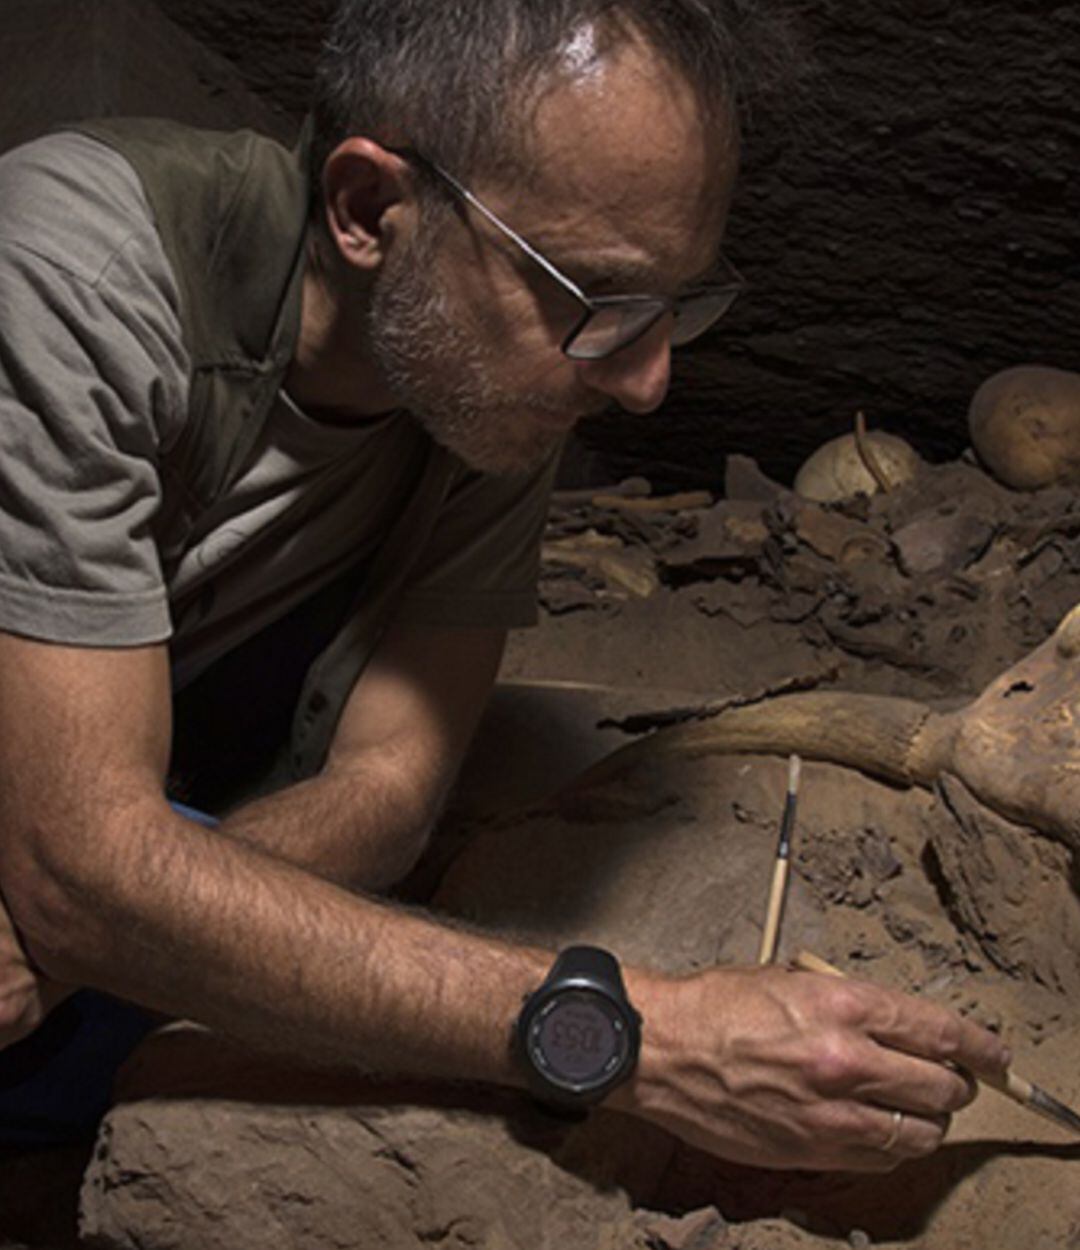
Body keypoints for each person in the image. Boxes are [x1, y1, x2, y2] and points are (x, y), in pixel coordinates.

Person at [0, 0, 1008, 1171]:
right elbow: (86, 866)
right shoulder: (79, 266)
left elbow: (388, 785)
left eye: (673, 308)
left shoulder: (480, 389)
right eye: (596, 299)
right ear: (372, 208)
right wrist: (645, 1037)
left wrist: (128, 914)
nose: (646, 384)